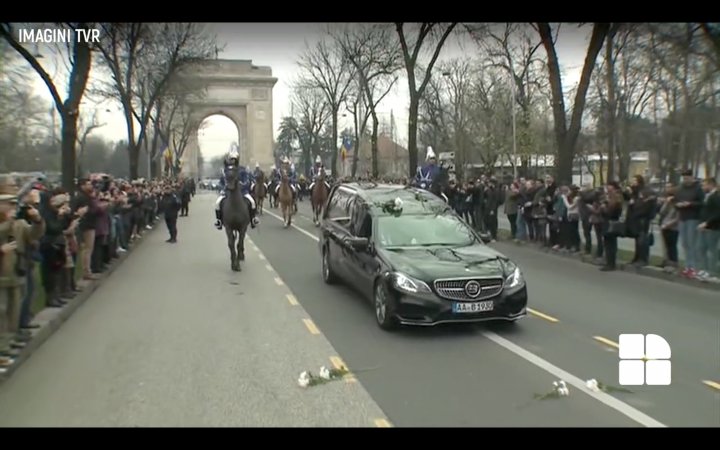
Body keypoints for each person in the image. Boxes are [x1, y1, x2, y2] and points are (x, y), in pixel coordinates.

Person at [214, 147, 260, 230]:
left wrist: (242, 184)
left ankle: (253, 219)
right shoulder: (225, 170)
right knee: (217, 203)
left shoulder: (242, 169)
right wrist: (223, 187)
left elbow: (247, 181)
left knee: (252, 202)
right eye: (232, 159)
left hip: (242, 192)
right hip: (227, 192)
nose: (233, 161)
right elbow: (221, 182)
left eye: (234, 159)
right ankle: (219, 221)